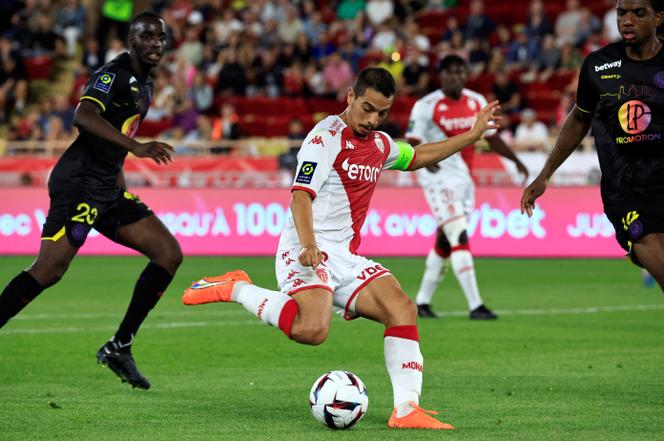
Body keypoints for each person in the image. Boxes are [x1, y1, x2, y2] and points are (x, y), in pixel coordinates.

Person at [182, 67, 500, 430]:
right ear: (350, 96)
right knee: (312, 331)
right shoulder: (325, 138)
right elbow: (301, 195)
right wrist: (308, 245)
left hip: (344, 257)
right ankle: (236, 287)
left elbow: (418, 155)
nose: (373, 119)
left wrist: (471, 135)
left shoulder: (379, 145)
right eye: (367, 108)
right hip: (304, 249)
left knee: (402, 308)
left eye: (382, 113)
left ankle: (407, 409)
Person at [0, 12, 182, 389]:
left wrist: (121, 182)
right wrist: (136, 147)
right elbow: (83, 117)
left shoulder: (144, 85)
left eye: (160, 38)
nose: (155, 43)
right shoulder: (113, 75)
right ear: (131, 41)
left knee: (168, 253)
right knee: (49, 270)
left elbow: (112, 141)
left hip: (108, 188)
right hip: (79, 183)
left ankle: (120, 346)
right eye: (147, 36)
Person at [521, 0, 664, 291]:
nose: (627, 21)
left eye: (638, 13)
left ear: (658, 17)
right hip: (626, 190)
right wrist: (545, 174)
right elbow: (578, 120)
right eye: (622, 13)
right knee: (648, 242)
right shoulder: (598, 65)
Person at [406, 55, 528, 320]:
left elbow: (492, 138)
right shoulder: (426, 106)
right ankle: (476, 306)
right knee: (459, 235)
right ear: (442, 76)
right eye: (450, 72)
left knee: (445, 240)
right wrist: (427, 163)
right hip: (437, 177)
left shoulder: (476, 102)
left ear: (466, 74)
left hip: (464, 179)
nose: (456, 77)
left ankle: (422, 303)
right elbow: (412, 140)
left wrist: (516, 160)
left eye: (461, 72)